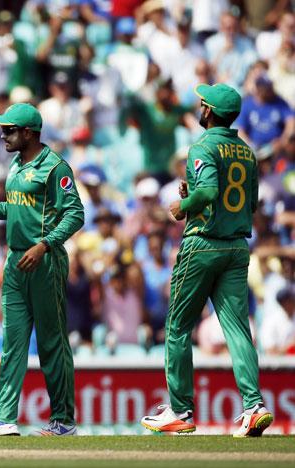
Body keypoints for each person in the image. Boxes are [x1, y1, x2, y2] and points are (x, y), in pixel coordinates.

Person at [141, 83, 273, 437]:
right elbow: (251, 202)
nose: (199, 107)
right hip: (236, 247)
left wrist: (183, 205)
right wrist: (196, 195)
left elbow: (212, 190)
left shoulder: (203, 146)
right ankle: (253, 406)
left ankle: (180, 411)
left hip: (203, 245)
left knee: (178, 326)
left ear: (210, 111)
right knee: (237, 328)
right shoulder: (247, 152)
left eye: (202, 104)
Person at [0, 103, 84, 436]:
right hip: (15, 261)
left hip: (45, 261)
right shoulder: (15, 164)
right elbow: (15, 209)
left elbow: (75, 214)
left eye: (9, 130)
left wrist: (45, 245)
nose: (2, 135)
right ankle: (3, 418)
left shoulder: (54, 167)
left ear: (28, 133)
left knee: (52, 344)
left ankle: (63, 420)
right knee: (12, 343)